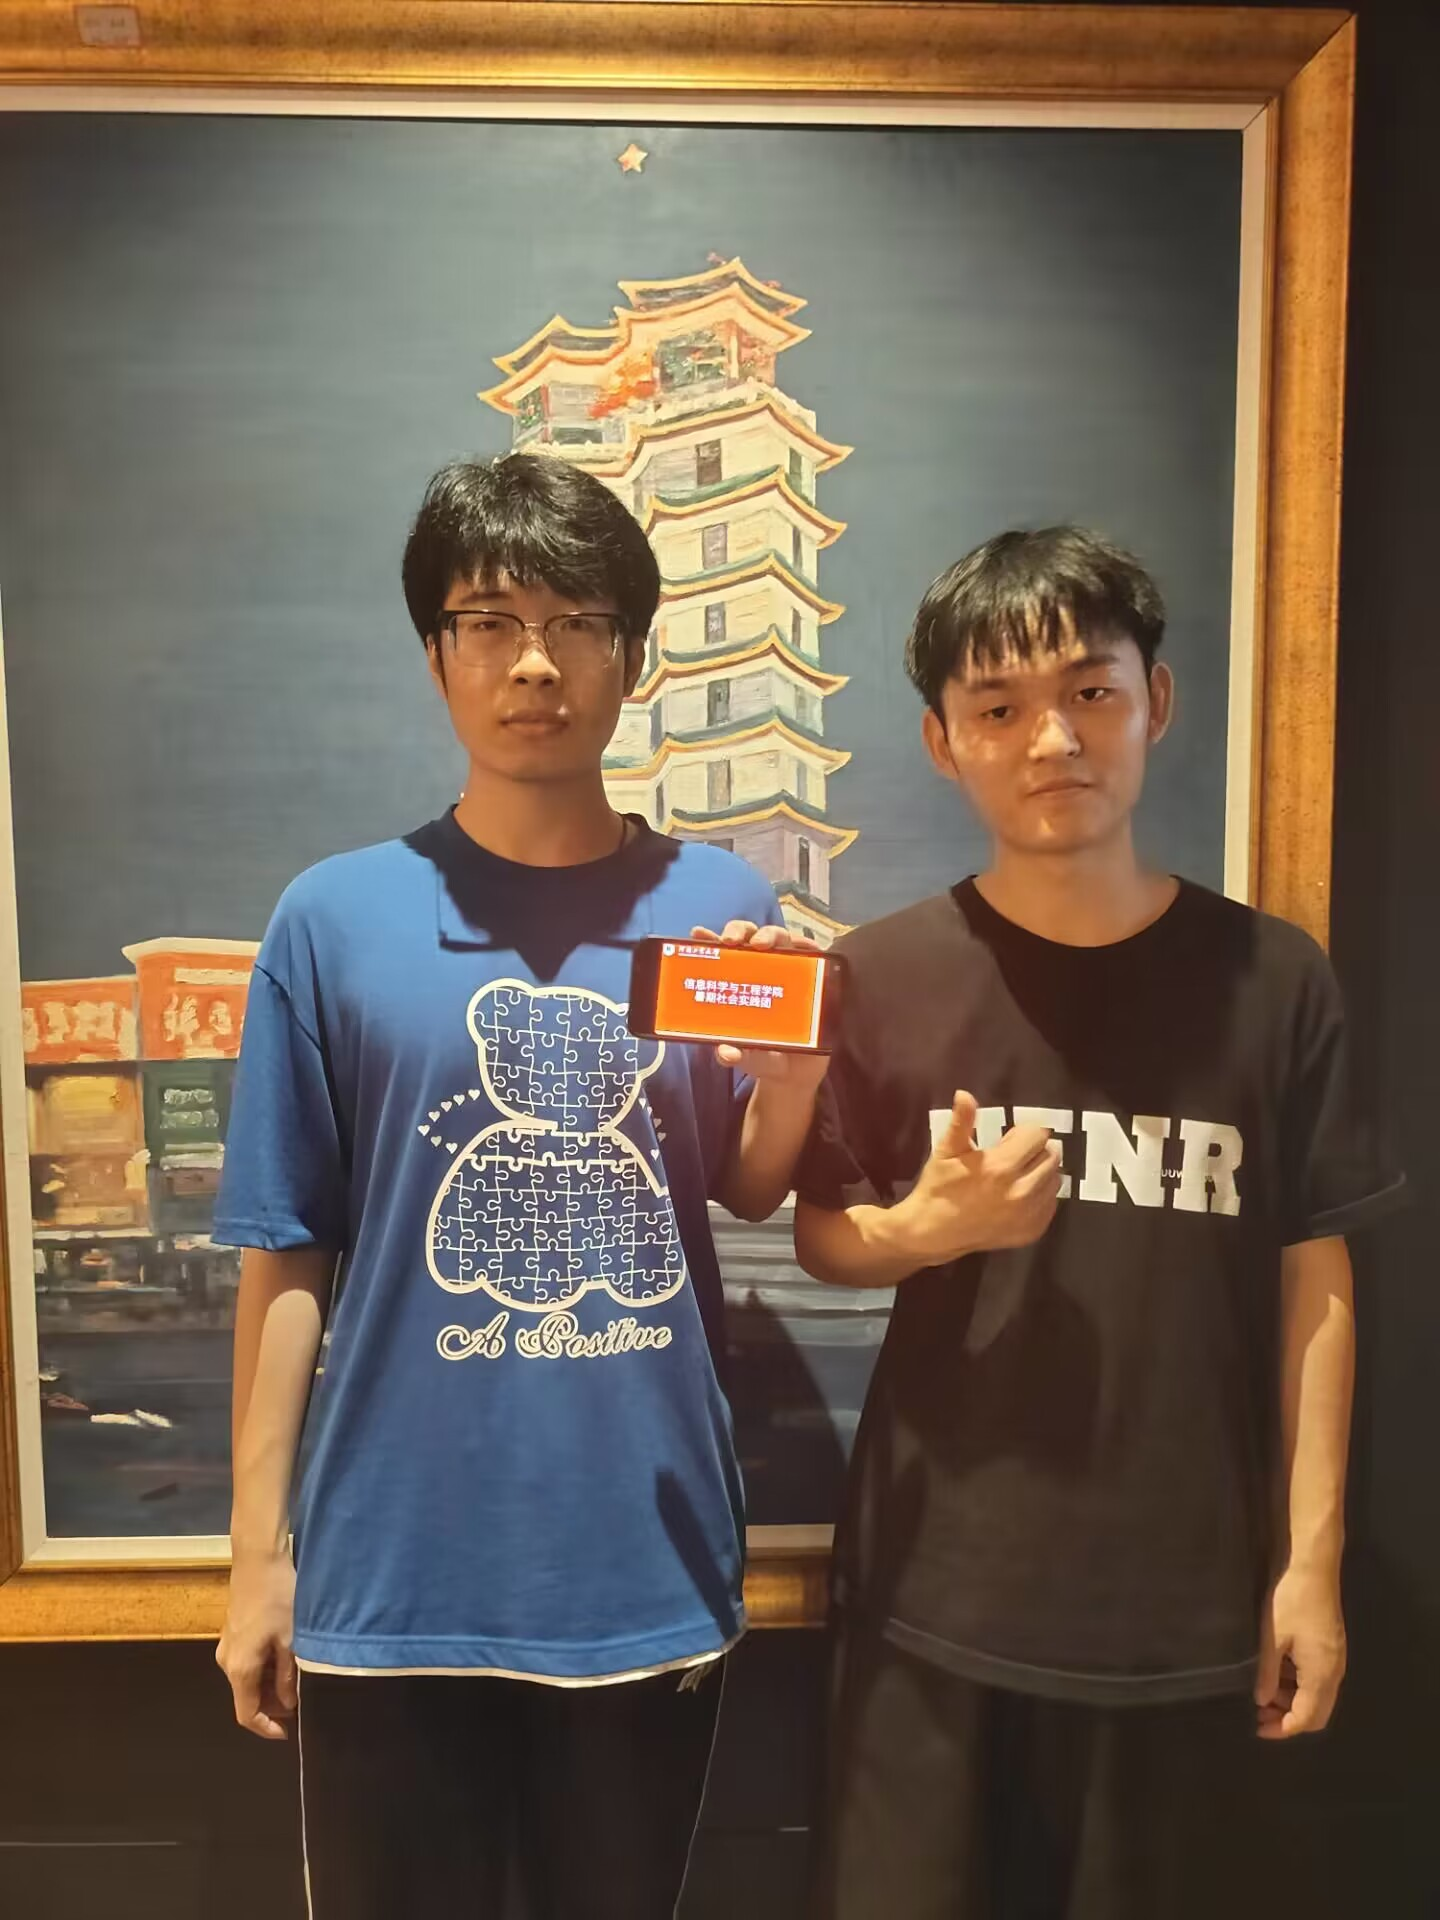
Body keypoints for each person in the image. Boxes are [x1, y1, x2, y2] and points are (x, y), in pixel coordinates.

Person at [213, 452, 827, 1919]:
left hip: (641, 1563)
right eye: (489, 622)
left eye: (576, 623)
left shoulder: (720, 910)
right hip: (389, 1576)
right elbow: (286, 1255)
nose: (534, 662)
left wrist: (797, 1086)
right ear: (437, 654)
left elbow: (743, 1187)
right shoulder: (333, 918)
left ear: (633, 656)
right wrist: (253, 1561)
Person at [796, 526, 1402, 1919]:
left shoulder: (1274, 979)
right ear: (944, 742)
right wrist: (926, 1230)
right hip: (931, 1604)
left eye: (1090, 692)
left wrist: (1311, 1564)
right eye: (999, 708)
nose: (1052, 739)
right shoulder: (882, 975)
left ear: (1156, 700)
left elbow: (1317, 1277)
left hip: (1184, 1617)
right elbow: (825, 1229)